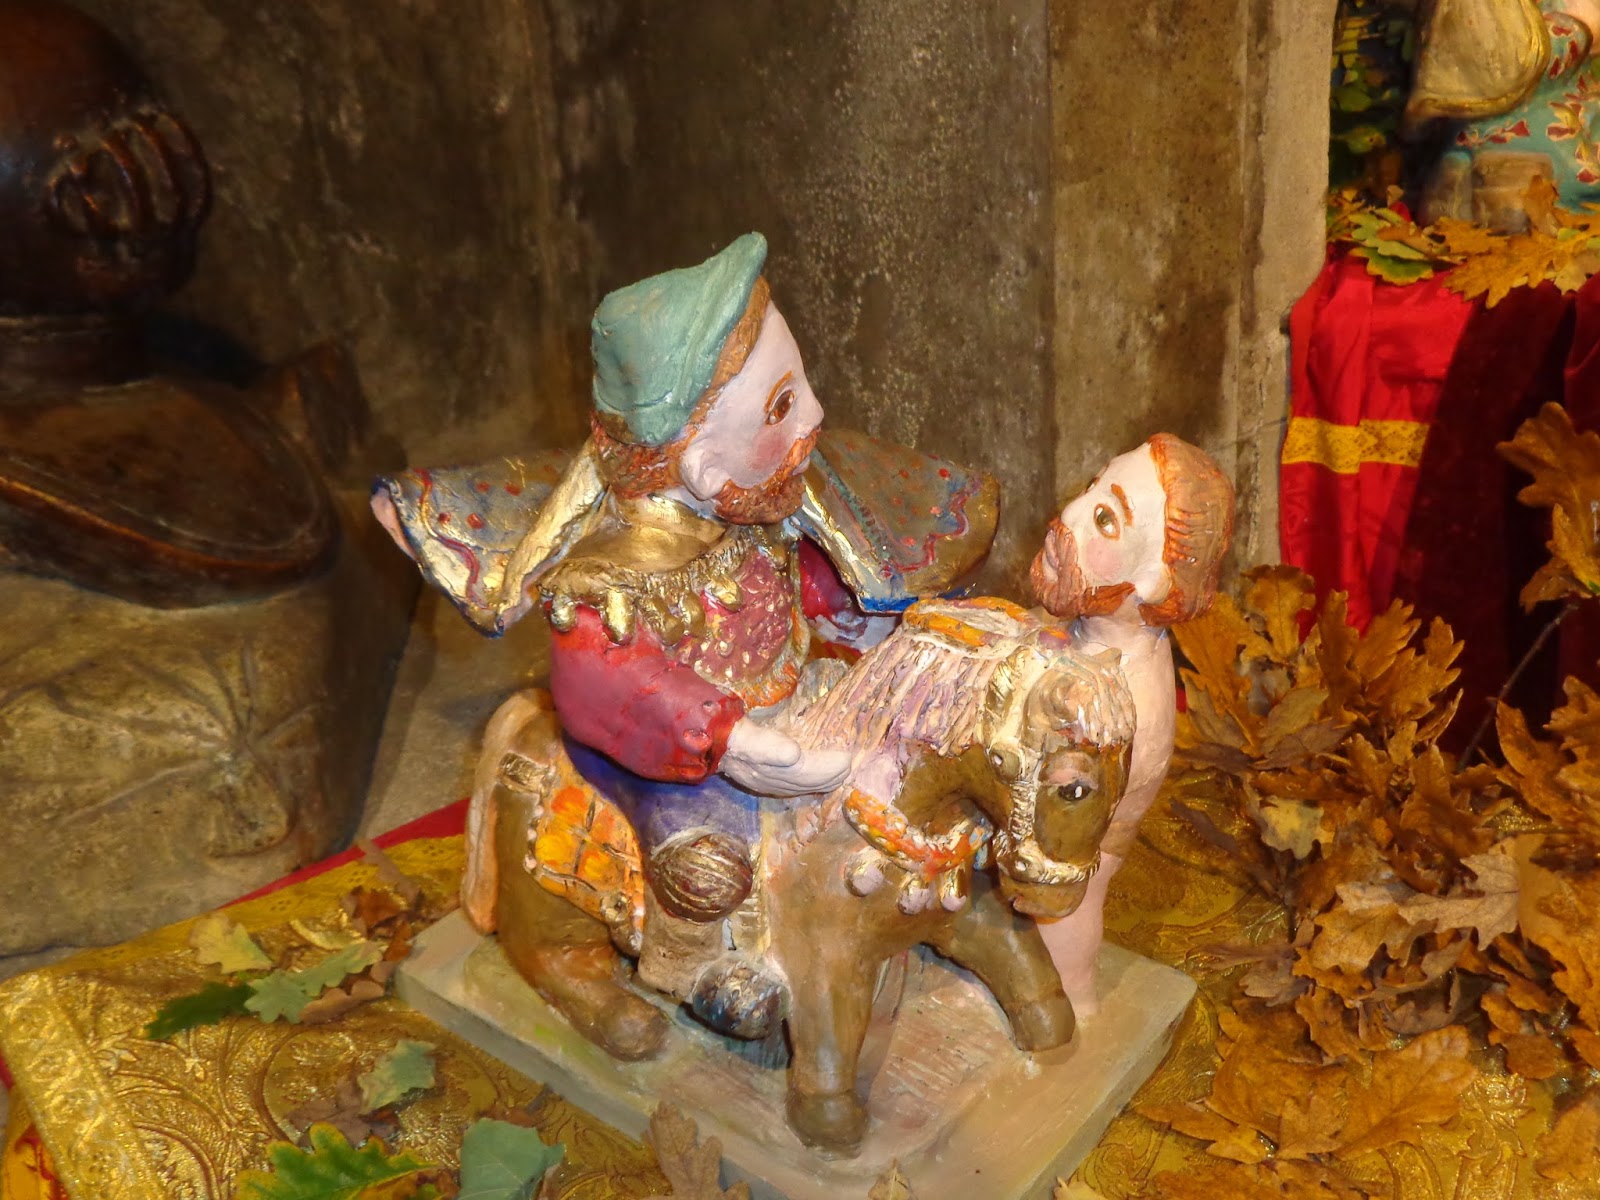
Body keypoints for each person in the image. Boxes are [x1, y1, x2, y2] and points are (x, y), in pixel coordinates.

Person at [374, 233, 997, 1032]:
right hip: (679, 761)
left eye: (801, 389)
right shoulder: (610, 583)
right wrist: (726, 738)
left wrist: (853, 611)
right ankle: (703, 966)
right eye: (783, 406)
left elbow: (790, 582)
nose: (816, 415)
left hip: (789, 696)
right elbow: (607, 682)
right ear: (703, 469)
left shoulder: (762, 509)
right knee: (708, 859)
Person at [1028, 434, 1234, 1014]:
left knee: (1063, 903)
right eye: (1092, 487)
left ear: (1154, 581)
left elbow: (1068, 801)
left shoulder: (1121, 697)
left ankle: (1071, 1002)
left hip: (1068, 836)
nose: (1070, 513)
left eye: (1105, 519)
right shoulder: (1089, 634)